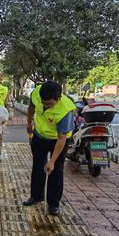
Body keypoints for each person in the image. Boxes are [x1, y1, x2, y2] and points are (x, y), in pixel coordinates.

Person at [24, 80, 76, 215]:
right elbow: (31, 107)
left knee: (56, 170)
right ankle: (36, 196)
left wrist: (51, 161)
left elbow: (61, 139)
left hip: (57, 141)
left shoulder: (65, 110)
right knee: (37, 166)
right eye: (43, 102)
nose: (45, 106)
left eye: (49, 104)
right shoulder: (36, 93)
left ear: (58, 99)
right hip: (39, 135)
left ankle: (53, 204)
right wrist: (29, 123)